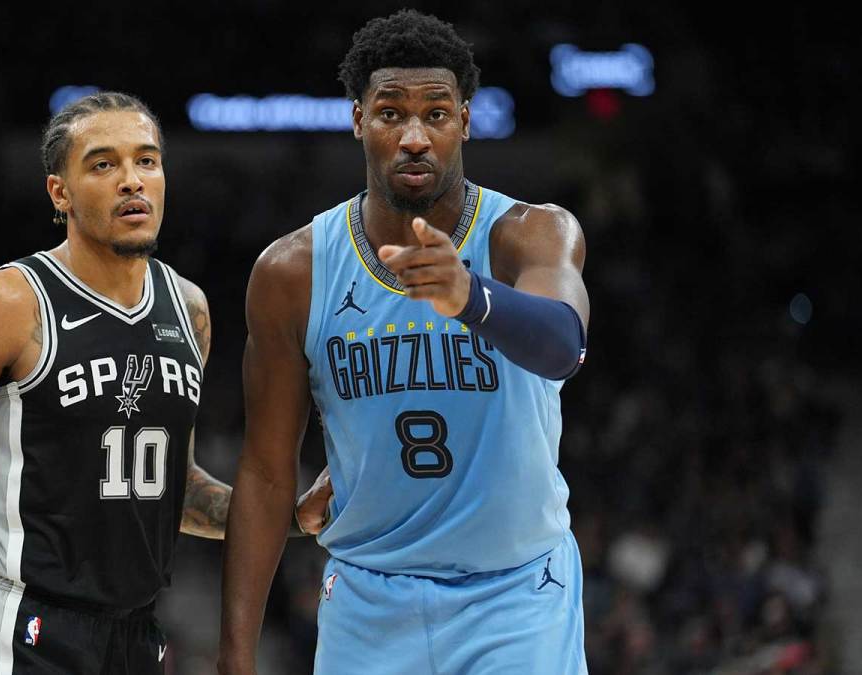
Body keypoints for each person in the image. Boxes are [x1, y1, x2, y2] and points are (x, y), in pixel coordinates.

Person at [0, 91, 332, 675]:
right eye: (103, 164)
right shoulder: (4, 304)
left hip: (136, 634)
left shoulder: (189, 309)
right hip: (19, 625)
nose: (132, 180)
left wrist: (289, 517)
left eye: (146, 160)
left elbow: (174, 489)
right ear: (60, 192)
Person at [219, 10, 590, 674]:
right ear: (358, 119)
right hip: (367, 596)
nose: (414, 137)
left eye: (436, 115)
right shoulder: (293, 272)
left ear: (465, 121)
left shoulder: (529, 234)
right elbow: (268, 471)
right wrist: (235, 655)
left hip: (517, 594)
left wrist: (470, 296)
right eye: (391, 114)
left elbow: (564, 345)